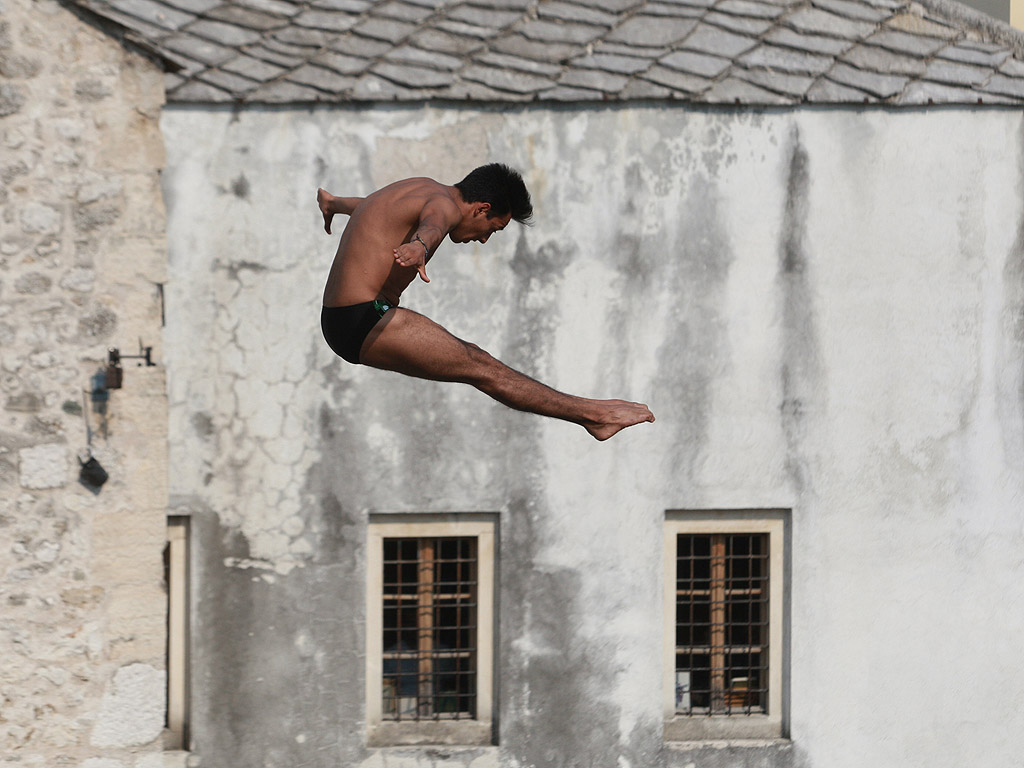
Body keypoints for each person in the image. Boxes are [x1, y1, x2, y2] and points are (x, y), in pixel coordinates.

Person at [317, 163, 654, 441]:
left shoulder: (416, 187)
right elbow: (434, 224)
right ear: (481, 208)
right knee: (482, 367)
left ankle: (592, 415)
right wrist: (421, 245)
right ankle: (594, 416)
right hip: (363, 319)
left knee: (477, 361)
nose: (482, 238)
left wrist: (335, 204)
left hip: (343, 319)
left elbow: (369, 206)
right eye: (492, 229)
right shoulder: (444, 205)